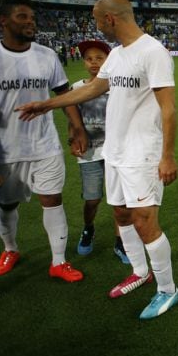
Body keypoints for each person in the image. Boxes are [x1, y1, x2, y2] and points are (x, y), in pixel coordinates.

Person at [17, 0, 178, 319]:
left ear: (110, 19)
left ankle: (167, 289)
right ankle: (139, 271)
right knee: (120, 213)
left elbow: (169, 108)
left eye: (96, 20)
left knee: (145, 221)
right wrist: (47, 104)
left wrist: (168, 156)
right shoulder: (118, 54)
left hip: (142, 154)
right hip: (115, 151)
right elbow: (93, 88)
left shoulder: (153, 52)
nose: (96, 26)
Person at [0, 0, 87, 282]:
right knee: (6, 204)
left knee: (53, 200)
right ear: (4, 21)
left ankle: (59, 262)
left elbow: (65, 95)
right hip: (5, 150)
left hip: (44, 144)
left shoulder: (46, 55)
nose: (30, 22)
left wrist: (77, 128)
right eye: (22, 17)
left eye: (33, 18)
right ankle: (11, 248)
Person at [70, 39, 130, 264]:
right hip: (90, 153)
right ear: (84, 62)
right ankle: (88, 228)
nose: (94, 63)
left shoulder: (116, 86)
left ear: (108, 61)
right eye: (89, 59)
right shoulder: (78, 88)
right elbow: (73, 118)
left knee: (120, 203)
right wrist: (72, 138)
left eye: (99, 58)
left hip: (116, 152)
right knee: (92, 200)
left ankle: (120, 241)